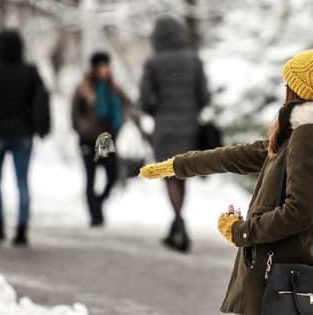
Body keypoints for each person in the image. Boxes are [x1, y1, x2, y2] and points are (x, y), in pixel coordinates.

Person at [140, 49, 313, 315]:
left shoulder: (306, 136)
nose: (284, 90)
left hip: (283, 281)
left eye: (289, 83)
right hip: (284, 277)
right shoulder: (295, 137)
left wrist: (241, 231)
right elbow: (237, 156)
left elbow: (299, 212)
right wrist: (178, 166)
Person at [0, 30, 49, 246]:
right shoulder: (30, 72)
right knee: (22, 183)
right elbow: (41, 101)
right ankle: (22, 231)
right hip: (23, 134)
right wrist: (40, 127)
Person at [139, 16, 209, 252]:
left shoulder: (153, 63)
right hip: (189, 127)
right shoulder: (194, 61)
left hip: (165, 128)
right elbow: (204, 97)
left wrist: (158, 110)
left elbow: (145, 100)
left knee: (170, 176)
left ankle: (178, 223)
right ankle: (177, 223)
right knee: (182, 173)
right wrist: (190, 111)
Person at [72, 51, 132, 227]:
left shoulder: (113, 88)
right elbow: (75, 114)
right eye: (101, 66)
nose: (104, 70)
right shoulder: (84, 88)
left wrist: (120, 124)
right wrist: (84, 129)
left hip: (106, 138)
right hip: (88, 139)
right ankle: (94, 215)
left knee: (112, 176)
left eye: (106, 66)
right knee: (90, 178)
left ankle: (98, 203)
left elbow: (126, 106)